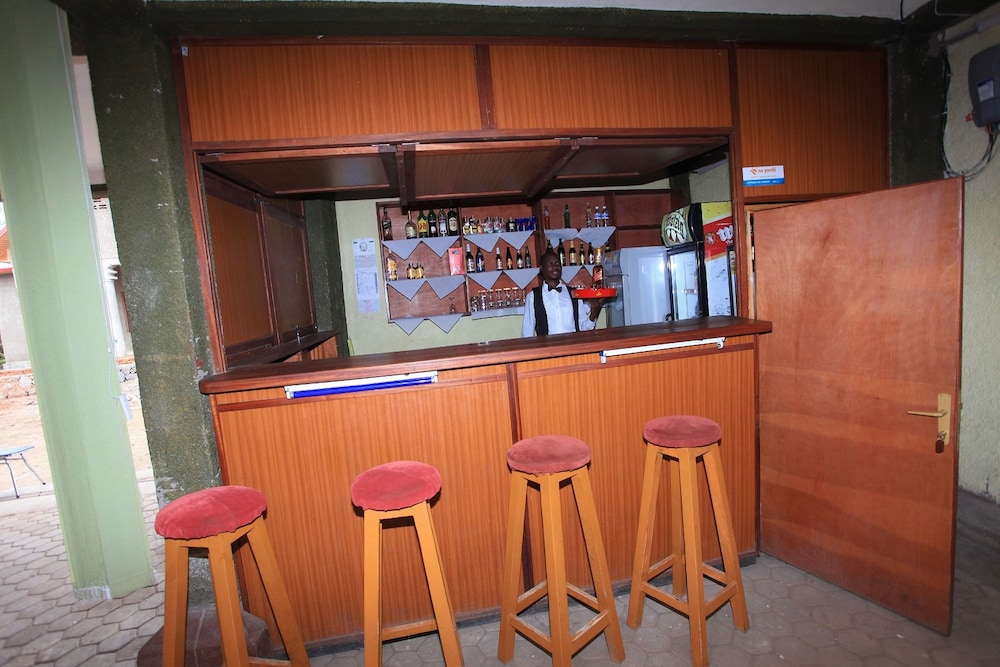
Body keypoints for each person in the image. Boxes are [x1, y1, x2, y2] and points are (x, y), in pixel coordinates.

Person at [521, 249, 605, 337]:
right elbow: (527, 332)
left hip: (573, 343)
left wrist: (594, 314)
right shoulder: (532, 297)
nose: (555, 266)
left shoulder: (574, 294)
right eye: (550, 264)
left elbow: (583, 329)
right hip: (547, 345)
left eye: (557, 263)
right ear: (541, 268)